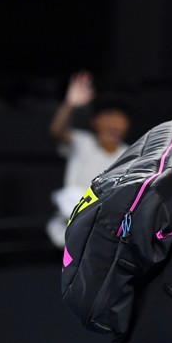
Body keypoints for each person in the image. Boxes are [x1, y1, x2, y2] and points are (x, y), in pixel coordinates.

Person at [46, 72, 129, 248]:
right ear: (96, 121)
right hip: (66, 232)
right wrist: (69, 105)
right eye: (108, 116)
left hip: (103, 237)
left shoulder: (130, 154)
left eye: (120, 118)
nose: (114, 123)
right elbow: (57, 131)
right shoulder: (82, 142)